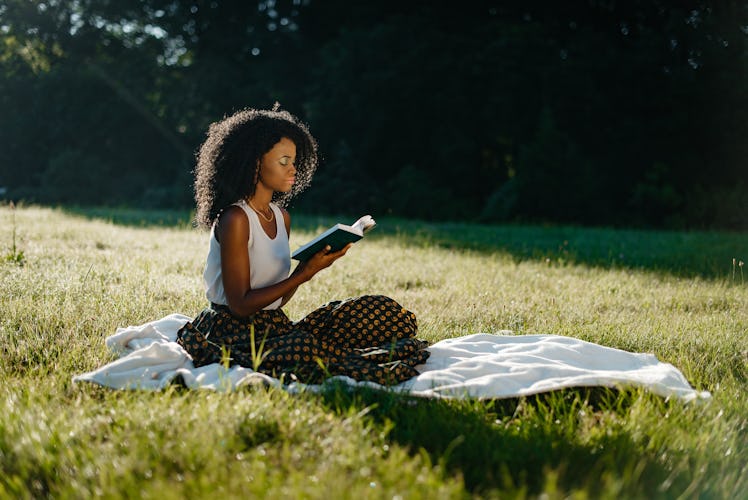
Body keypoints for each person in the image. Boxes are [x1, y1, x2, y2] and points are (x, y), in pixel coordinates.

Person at [176, 106, 430, 385]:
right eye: (284, 161)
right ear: (254, 163)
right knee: (309, 351)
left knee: (382, 313)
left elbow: (277, 300)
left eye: (295, 161)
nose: (293, 169)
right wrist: (303, 274)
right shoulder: (235, 218)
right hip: (229, 332)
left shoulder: (281, 217)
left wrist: (313, 266)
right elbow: (240, 306)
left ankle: (310, 347)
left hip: (276, 325)